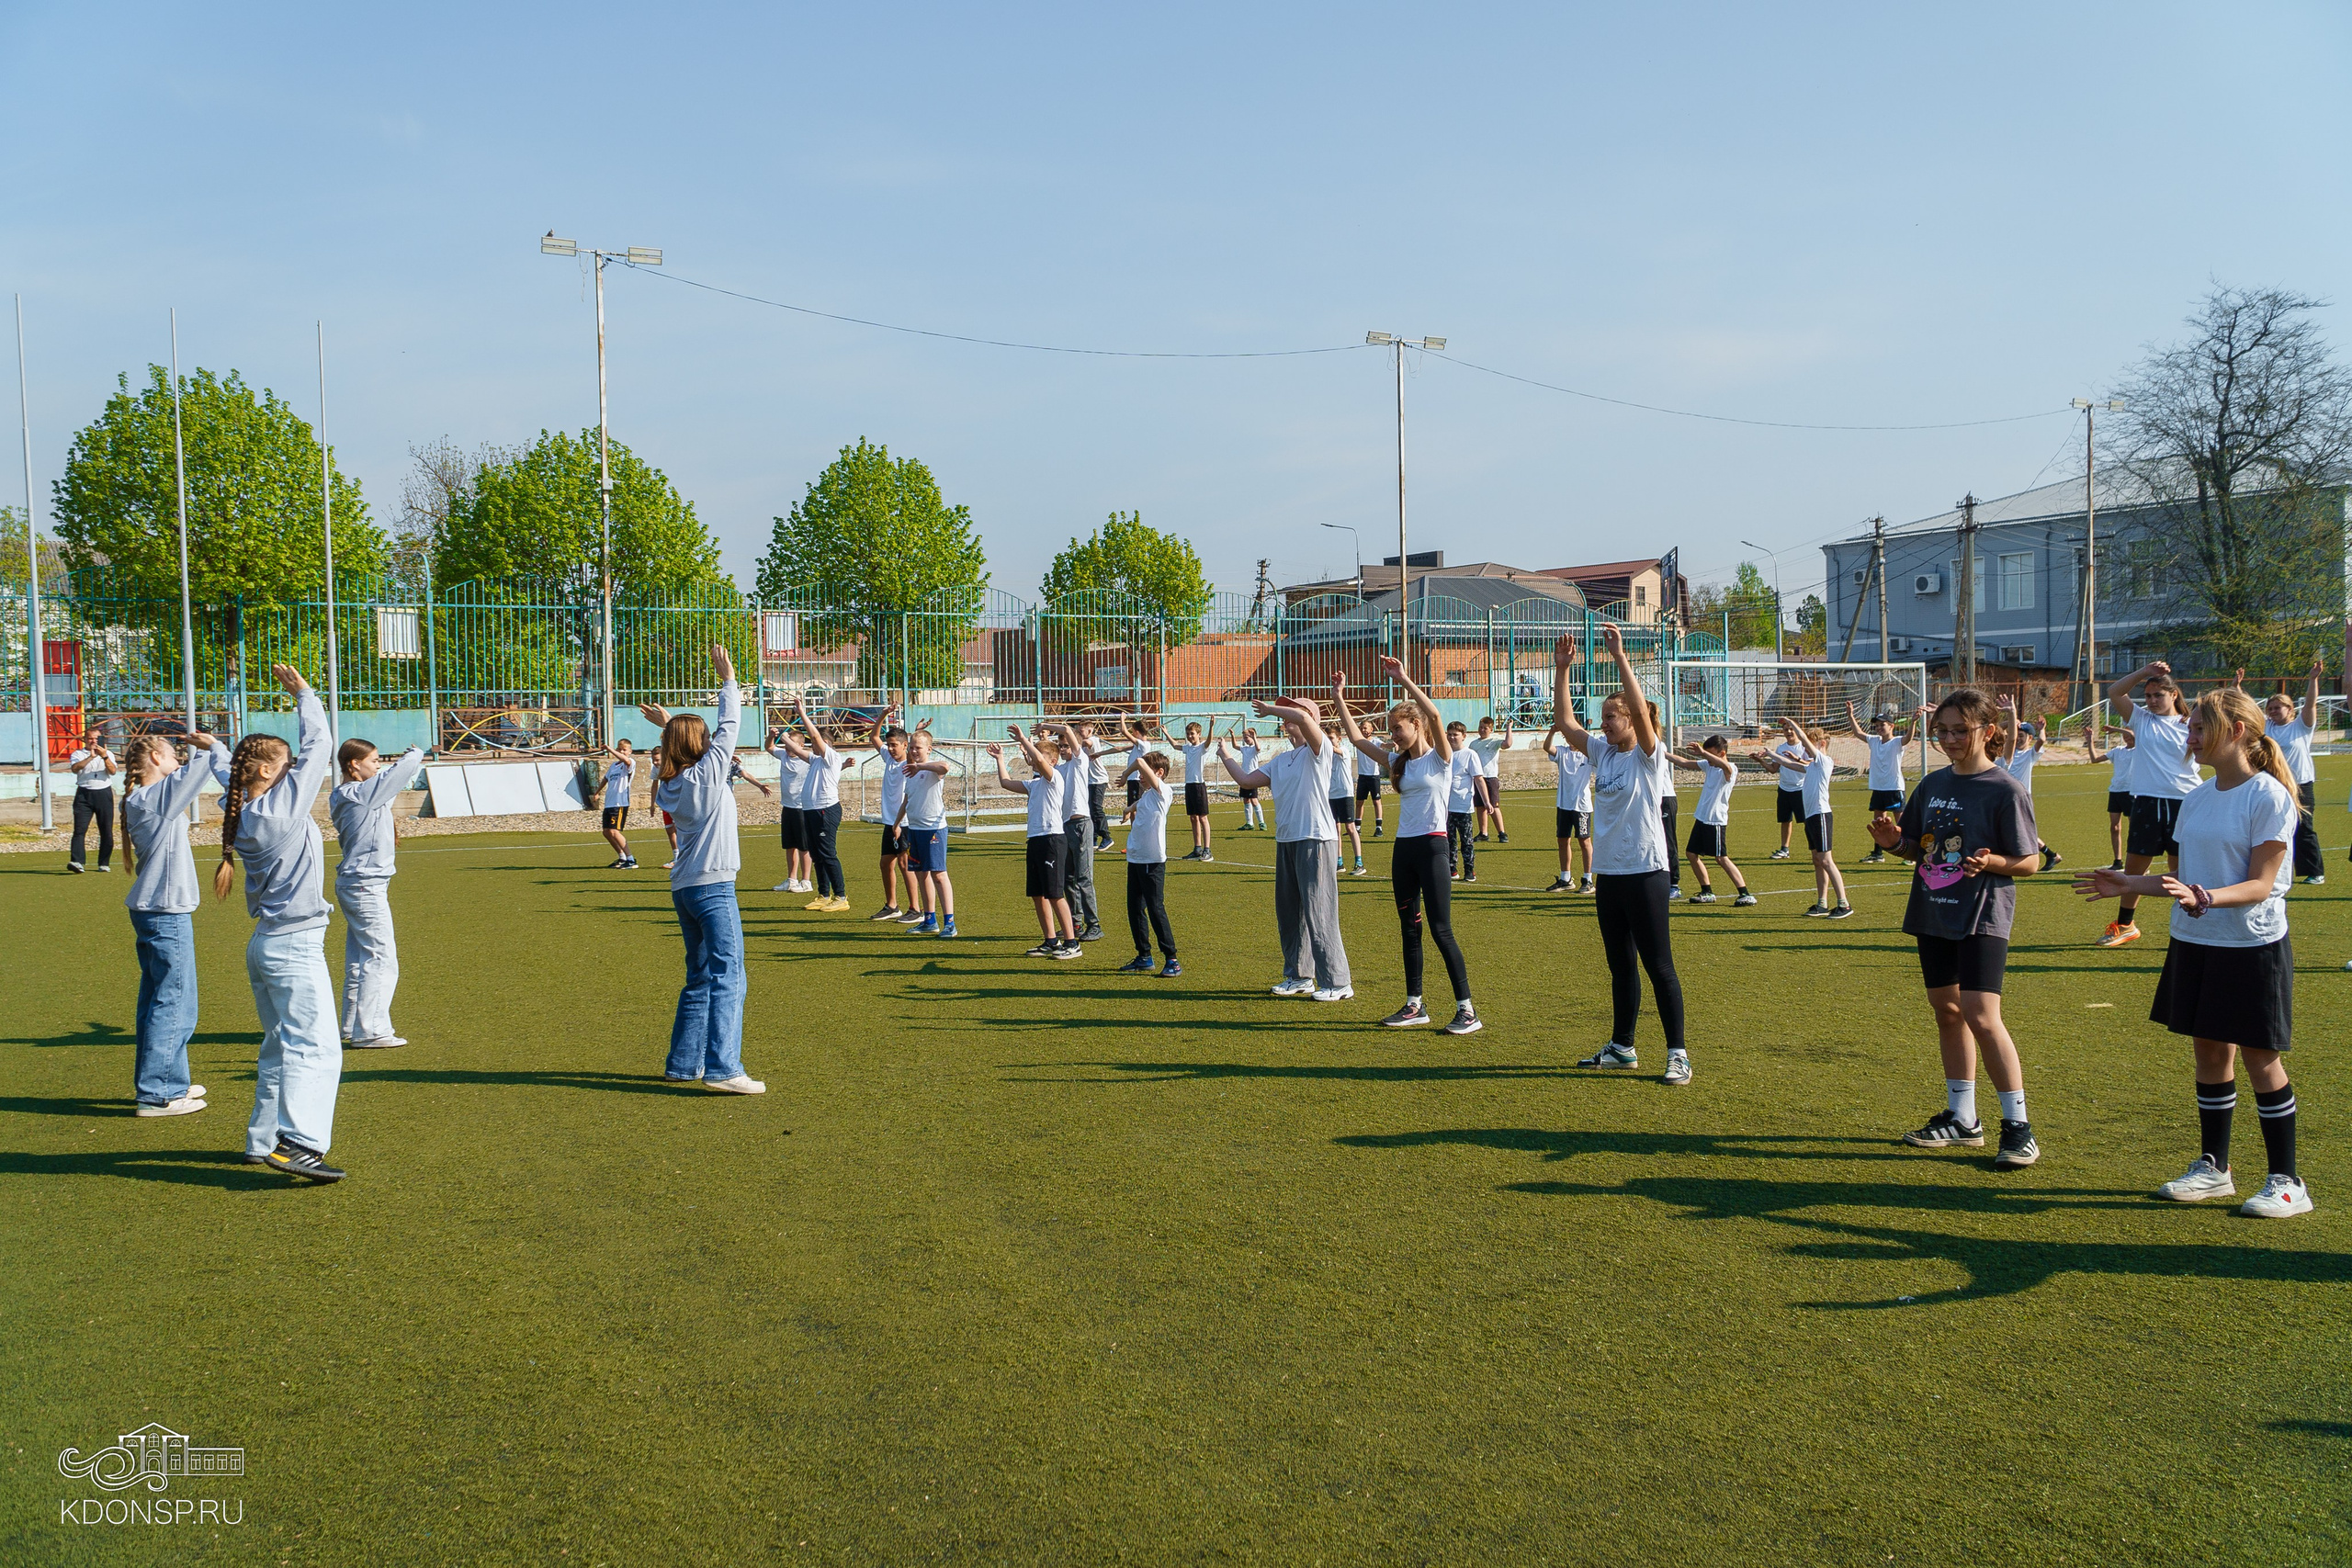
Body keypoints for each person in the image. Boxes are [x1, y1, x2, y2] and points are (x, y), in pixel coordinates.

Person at [2075, 687, 2312, 1218]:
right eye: (2191, 728)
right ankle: (2215, 1169)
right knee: (2209, 1051)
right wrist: (2128, 882)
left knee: (2260, 1057)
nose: (2190, 736)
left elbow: (2261, 884)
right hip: (2196, 940)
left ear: (2236, 732)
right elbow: (2182, 879)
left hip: (2252, 944)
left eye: (2200, 728)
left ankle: (2287, 1181)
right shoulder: (2200, 795)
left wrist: (2206, 897)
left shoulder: (2268, 797)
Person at [1866, 686, 2042, 1169]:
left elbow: (2029, 862)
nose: (1949, 739)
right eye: (1942, 731)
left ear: (1987, 731)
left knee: (1983, 1015)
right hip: (1932, 910)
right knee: (1947, 1011)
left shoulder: (2004, 788)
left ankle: (2018, 1127)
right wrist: (1892, 842)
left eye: (1960, 730)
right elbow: (1917, 848)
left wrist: (1992, 862)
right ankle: (1963, 1119)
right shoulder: (1931, 784)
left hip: (1982, 915)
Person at [213, 664, 348, 1180]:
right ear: (268, 774)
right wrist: (304, 695)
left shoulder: (248, 811)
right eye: (285, 766)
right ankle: (300, 1144)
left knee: (280, 1046)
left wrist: (217, 749)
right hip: (292, 946)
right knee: (315, 1046)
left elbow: (236, 770)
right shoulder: (280, 809)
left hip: (269, 945)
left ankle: (263, 1140)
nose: (296, 770)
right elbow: (321, 744)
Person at [1557, 627, 1690, 1086]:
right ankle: (1622, 1047)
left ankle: (1677, 1053)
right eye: (1604, 716)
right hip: (1609, 875)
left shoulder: (1648, 756)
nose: (1606, 723)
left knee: (1659, 966)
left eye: (1613, 716)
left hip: (1646, 872)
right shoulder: (1604, 754)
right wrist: (1561, 670)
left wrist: (1618, 657)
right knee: (1620, 966)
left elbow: (1638, 708)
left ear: (1633, 720)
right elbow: (1566, 722)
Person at [638, 647, 762, 1093]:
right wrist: (729, 679)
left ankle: (683, 1064)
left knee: (700, 977)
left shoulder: (670, 781)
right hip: (714, 889)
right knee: (730, 975)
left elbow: (693, 747)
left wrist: (669, 725)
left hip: (685, 889)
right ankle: (725, 1069)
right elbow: (729, 727)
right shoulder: (707, 773)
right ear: (700, 746)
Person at [1335, 666, 1477, 1032]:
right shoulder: (1397, 762)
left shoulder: (1440, 758)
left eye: (1398, 727)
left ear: (1415, 726)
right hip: (1404, 850)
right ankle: (1415, 1005)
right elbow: (1356, 739)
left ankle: (1467, 1010)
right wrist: (1338, 695)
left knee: (1440, 928)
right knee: (1409, 929)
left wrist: (1403, 681)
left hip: (1433, 847)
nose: (1392, 734)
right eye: (1391, 728)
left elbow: (1435, 713)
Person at [119, 728, 232, 1117]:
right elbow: (199, 772)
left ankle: (166, 1078)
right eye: (171, 754)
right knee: (175, 1002)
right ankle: (159, 1091)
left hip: (155, 911)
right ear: (154, 758)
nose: (177, 759)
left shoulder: (144, 798)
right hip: (165, 912)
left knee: (156, 1000)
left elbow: (189, 774)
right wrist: (213, 746)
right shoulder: (154, 797)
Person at [1220, 697, 1352, 1001]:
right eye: (1285, 713)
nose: (1287, 719)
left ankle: (1337, 981)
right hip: (1287, 840)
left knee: (1320, 911)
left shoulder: (1319, 751)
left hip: (1316, 838)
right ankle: (1298, 976)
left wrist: (1270, 709)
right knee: (1290, 914)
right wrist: (1226, 755)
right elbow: (1246, 779)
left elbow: (1306, 722)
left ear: (1310, 719)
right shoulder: (1282, 760)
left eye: (1294, 712)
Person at [329, 737, 426, 1051]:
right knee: (380, 957)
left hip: (359, 883)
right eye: (374, 761)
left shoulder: (351, 793)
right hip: (364, 885)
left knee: (360, 959)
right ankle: (370, 1030)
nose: (379, 765)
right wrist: (415, 753)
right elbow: (397, 776)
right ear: (354, 765)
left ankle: (350, 1025)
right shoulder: (359, 794)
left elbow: (386, 782)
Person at [2098, 661, 2201, 948]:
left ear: (2174, 695)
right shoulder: (2142, 720)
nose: (2153, 701)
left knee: (2182, 869)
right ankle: (2125, 925)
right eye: (2149, 696)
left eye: (2159, 696)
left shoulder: (2190, 724)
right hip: (2147, 803)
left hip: (2185, 802)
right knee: (2135, 869)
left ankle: (2189, 924)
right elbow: (2115, 692)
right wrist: (2145, 672)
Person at [993, 726, 1079, 957]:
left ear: (1052, 760)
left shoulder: (1054, 777)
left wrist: (1023, 739)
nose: (1031, 758)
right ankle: (1051, 941)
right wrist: (1000, 758)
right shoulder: (1034, 784)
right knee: (1037, 893)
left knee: (1055, 894)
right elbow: (1005, 782)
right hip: (1035, 840)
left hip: (1052, 839)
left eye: (1036, 755)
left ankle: (1072, 943)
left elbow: (1040, 761)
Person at [772, 694, 850, 911]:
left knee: (827, 854)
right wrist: (781, 734)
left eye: (818, 742)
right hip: (811, 811)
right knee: (816, 854)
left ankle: (841, 897)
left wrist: (802, 713)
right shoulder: (815, 759)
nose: (814, 744)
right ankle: (824, 894)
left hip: (826, 810)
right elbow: (796, 749)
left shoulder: (831, 757)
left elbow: (814, 737)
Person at [2256, 658, 2325, 885]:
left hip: (2301, 784)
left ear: (2290, 709)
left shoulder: (2301, 726)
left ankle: (2315, 872)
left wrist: (2313, 679)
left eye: (2278, 707)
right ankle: (2274, 870)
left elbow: (2311, 705)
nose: (2274, 711)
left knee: (2304, 829)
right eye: (2270, 708)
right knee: (2274, 829)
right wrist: (2237, 687)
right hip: (2275, 785)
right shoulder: (2268, 727)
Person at [1113, 748, 1182, 976]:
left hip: (1152, 863)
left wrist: (1125, 774)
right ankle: (1144, 956)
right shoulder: (1148, 796)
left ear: (1159, 773)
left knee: (1155, 909)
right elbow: (1138, 806)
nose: (1140, 777)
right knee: (1135, 909)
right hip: (1135, 859)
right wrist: (1128, 809)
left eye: (1145, 774)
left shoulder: (1164, 792)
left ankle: (1171, 959)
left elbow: (1140, 762)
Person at [1668, 736, 1755, 906]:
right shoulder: (1710, 766)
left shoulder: (1730, 769)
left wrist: (1703, 753)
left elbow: (1725, 766)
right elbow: (1684, 762)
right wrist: (1660, 752)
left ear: (1722, 753)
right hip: (1702, 818)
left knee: (1721, 858)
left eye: (1710, 755)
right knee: (1691, 854)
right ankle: (1707, 891)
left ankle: (1745, 893)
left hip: (1715, 821)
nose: (1706, 758)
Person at [1782, 719, 1851, 919]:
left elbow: (1803, 737)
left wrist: (1792, 723)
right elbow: (1791, 764)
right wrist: (1769, 756)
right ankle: (1822, 903)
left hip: (1821, 815)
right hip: (1811, 816)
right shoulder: (1811, 766)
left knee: (1826, 860)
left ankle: (1844, 904)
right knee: (1817, 860)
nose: (1804, 748)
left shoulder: (1823, 761)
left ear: (1820, 745)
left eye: (1807, 746)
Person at [894, 728, 956, 937]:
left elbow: (945, 767)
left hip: (933, 829)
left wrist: (919, 766)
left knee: (939, 874)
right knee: (921, 875)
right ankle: (929, 920)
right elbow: (907, 799)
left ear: (929, 749)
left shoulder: (932, 768)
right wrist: (896, 824)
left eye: (918, 748)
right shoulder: (909, 770)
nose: (913, 751)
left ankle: (950, 923)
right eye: (911, 747)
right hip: (915, 829)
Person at [1848, 701, 1922, 864]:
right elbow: (1858, 732)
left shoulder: (1896, 742)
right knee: (1879, 823)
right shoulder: (1874, 741)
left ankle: (1910, 854)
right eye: (1877, 725)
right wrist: (1851, 715)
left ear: (1891, 726)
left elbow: (1908, 738)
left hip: (1894, 787)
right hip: (1878, 788)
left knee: (1901, 823)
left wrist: (1913, 722)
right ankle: (1877, 853)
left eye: (1883, 725)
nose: (1879, 728)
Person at [1993, 698, 2062, 872]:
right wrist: (2009, 721)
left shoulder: (2030, 754)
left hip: (2021, 797)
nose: (2018, 739)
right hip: (2005, 797)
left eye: (2021, 736)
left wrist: (2042, 730)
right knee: (2019, 829)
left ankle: (2047, 854)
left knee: (2023, 830)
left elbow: (2042, 742)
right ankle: (2050, 854)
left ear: (2029, 737)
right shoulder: (2008, 751)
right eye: (2017, 735)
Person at [1054, 720, 1105, 942]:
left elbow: (1067, 730)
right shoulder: (1060, 768)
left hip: (1081, 824)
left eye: (1066, 745)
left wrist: (1044, 725)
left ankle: (1094, 924)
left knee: (1084, 878)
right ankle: (1075, 922)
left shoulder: (1080, 760)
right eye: (1061, 746)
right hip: (1065, 826)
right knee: (1068, 878)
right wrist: (1026, 745)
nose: (1064, 749)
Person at [867, 706, 916, 920]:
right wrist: (884, 715)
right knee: (886, 863)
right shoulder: (888, 758)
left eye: (895, 745)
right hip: (889, 822)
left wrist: (898, 823)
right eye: (889, 745)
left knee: (905, 864)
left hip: (903, 822)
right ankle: (892, 905)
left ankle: (915, 909)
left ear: (905, 746)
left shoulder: (910, 765)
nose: (890, 748)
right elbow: (873, 736)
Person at [1544, 717, 1595, 893]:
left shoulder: (1588, 755)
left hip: (1582, 806)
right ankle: (1566, 878)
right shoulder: (1563, 753)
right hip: (1564, 805)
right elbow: (1547, 748)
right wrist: (1552, 732)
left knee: (1584, 841)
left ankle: (1588, 879)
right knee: (1563, 839)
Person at [1162, 719, 1218, 861]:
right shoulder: (1188, 748)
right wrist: (1166, 733)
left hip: (1199, 785)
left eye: (1192, 733)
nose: (1190, 736)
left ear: (1199, 734)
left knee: (1203, 818)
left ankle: (1207, 849)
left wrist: (1211, 727)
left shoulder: (1201, 747)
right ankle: (1197, 849)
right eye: (1188, 734)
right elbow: (1175, 746)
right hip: (1189, 786)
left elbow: (1209, 741)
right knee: (1193, 818)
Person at [1749, 730, 1809, 860]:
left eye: (1790, 728)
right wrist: (1759, 760)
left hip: (1800, 789)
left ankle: (1816, 849)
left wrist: (1796, 759)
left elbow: (1810, 765)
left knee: (1807, 821)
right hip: (1784, 789)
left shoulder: (1805, 747)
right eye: (1785, 729)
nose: (1788, 731)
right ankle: (1784, 850)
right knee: (1785, 820)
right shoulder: (1781, 748)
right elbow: (1773, 769)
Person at [768, 719, 812, 894]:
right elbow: (769, 747)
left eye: (791, 745)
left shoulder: (807, 759)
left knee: (804, 846)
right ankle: (791, 879)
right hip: (788, 807)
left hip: (802, 807)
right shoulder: (783, 755)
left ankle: (806, 881)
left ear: (801, 745)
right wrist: (771, 736)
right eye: (786, 745)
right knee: (790, 845)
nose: (787, 748)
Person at [2086, 722, 2137, 871]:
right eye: (2124, 735)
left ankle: (2136, 862)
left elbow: (2135, 736)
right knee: (2115, 828)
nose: (2127, 737)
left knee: (2134, 829)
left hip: (2132, 793)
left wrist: (2115, 729)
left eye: (2128, 734)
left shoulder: (2140, 749)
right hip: (2115, 792)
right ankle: (2117, 861)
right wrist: (2090, 741)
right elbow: (2095, 759)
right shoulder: (2118, 750)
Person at [66, 736, 119, 872]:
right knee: (79, 830)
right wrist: (91, 757)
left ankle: (104, 863)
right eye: (90, 738)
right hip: (84, 794)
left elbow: (112, 771)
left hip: (103, 793)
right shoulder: (78, 754)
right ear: (85, 740)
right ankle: (77, 861)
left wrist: (104, 757)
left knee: (106, 830)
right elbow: (75, 768)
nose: (94, 741)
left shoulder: (109, 754)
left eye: (97, 738)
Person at [1327, 721, 1367, 877]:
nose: (1329, 741)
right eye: (1327, 738)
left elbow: (1333, 749)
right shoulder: (1328, 755)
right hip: (1331, 795)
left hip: (1345, 794)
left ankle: (1359, 862)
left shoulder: (1344, 751)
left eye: (1331, 738)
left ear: (1339, 738)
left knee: (1350, 828)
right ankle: (1339, 862)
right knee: (1335, 829)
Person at [1443, 722, 1479, 882]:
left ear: (1463, 736)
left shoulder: (1470, 754)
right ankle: (1452, 869)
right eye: (1449, 734)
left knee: (1466, 841)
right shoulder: (1444, 753)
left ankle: (1469, 870)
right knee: (1449, 840)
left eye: (1455, 734)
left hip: (1463, 806)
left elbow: (1478, 778)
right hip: (1446, 806)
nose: (1451, 737)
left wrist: (1487, 801)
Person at [1469, 716, 1511, 842]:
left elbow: (1507, 744)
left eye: (1485, 728)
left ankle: (1502, 833)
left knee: (1493, 806)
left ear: (1491, 729)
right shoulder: (1473, 744)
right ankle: (1483, 833)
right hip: (1477, 778)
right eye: (1480, 727)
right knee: (1480, 806)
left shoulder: (1494, 741)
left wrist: (1509, 727)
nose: (1482, 730)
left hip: (1490, 778)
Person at [597, 740, 639, 868]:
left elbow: (626, 761)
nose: (622, 752)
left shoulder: (630, 763)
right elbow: (606, 779)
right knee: (606, 832)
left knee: (614, 831)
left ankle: (631, 860)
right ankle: (622, 857)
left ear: (630, 751)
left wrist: (610, 750)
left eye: (625, 750)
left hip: (620, 803)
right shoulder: (614, 766)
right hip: (609, 803)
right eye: (620, 749)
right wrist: (597, 792)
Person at [1081, 718, 1114, 852]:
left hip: (1098, 780)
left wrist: (1070, 736)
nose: (1079, 733)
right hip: (1089, 780)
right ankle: (1093, 837)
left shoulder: (1093, 740)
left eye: (1081, 730)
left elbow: (1087, 743)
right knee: (1089, 810)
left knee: (1096, 808)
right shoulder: (1080, 744)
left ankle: (1107, 837)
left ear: (1090, 730)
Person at [1233, 726, 1267, 830]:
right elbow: (1235, 746)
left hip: (1253, 777)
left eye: (1247, 736)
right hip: (1244, 777)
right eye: (1244, 737)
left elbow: (1258, 748)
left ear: (1252, 736)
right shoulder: (1245, 749)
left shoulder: (1254, 748)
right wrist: (1233, 735)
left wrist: (1255, 737)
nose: (1245, 739)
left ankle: (1261, 823)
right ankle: (1249, 823)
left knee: (1254, 800)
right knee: (1246, 800)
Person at [1354, 728, 1386, 840]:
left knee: (1376, 801)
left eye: (1366, 728)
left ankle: (1379, 827)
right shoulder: (1359, 741)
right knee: (1359, 802)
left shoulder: (1375, 741)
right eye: (1362, 728)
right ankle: (1357, 828)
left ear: (1371, 729)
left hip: (1373, 776)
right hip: (1362, 776)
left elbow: (1385, 745)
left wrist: (1393, 744)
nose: (1364, 730)